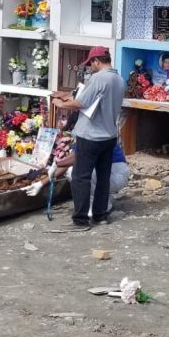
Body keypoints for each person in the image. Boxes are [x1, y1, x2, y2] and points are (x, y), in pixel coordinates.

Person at [51, 46, 125, 228]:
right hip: (109, 136)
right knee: (103, 177)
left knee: (80, 177)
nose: (90, 67)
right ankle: (100, 215)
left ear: (96, 61)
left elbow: (80, 103)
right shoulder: (119, 79)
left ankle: (80, 220)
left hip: (91, 136)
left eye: (90, 63)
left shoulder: (99, 78)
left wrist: (59, 103)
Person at [25, 141, 131, 218]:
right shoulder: (83, 139)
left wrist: (56, 164)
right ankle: (101, 201)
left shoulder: (96, 137)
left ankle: (105, 207)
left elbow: (78, 159)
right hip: (108, 174)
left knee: (76, 172)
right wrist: (40, 183)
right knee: (73, 171)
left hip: (117, 175)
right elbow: (67, 162)